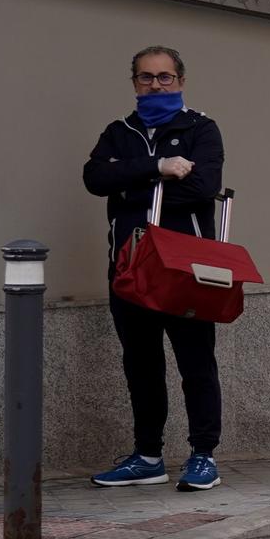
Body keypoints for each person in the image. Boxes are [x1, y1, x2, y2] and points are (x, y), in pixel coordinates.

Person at [84, 46, 227, 492]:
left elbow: (203, 187)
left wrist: (128, 185)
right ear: (134, 83)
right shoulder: (118, 131)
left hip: (185, 271)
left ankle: (203, 455)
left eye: (165, 77)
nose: (155, 85)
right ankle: (148, 456)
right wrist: (156, 168)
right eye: (146, 78)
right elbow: (94, 178)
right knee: (141, 365)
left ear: (181, 81)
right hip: (130, 270)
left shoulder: (201, 129)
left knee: (196, 364)